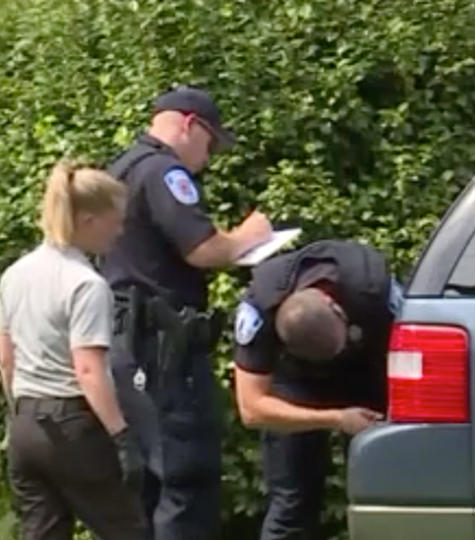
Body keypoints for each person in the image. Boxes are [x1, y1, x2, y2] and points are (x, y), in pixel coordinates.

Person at [100, 86, 272, 539]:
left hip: (124, 344)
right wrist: (248, 236)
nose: (208, 159)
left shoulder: (120, 168)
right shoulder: (163, 172)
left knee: (144, 486)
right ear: (190, 126)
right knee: (186, 480)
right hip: (163, 348)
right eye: (210, 144)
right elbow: (203, 249)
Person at [0, 160, 147, 539]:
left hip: (25, 424)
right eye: (115, 220)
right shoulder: (86, 284)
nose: (120, 230)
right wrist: (121, 435)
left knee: (43, 532)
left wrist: (18, 414)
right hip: (71, 425)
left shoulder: (15, 274)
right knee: (126, 530)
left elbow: (5, 357)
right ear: (87, 220)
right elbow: (88, 370)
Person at [232, 239, 401, 539]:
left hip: (368, 370)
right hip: (295, 380)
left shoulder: (373, 285)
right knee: (291, 504)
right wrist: (336, 418)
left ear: (336, 307)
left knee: (382, 496)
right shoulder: (261, 304)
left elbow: (410, 356)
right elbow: (252, 409)